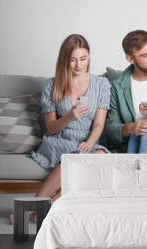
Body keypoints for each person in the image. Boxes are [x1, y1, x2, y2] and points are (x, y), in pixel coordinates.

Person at [30, 34, 111, 201]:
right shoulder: (52, 85)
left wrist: (89, 143)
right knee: (74, 159)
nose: (79, 65)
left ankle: (44, 206)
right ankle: (35, 205)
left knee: (100, 155)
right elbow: (51, 128)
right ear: (64, 60)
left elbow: (99, 124)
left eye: (83, 58)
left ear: (89, 57)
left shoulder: (102, 84)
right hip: (61, 139)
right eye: (73, 60)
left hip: (87, 141)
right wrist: (69, 116)